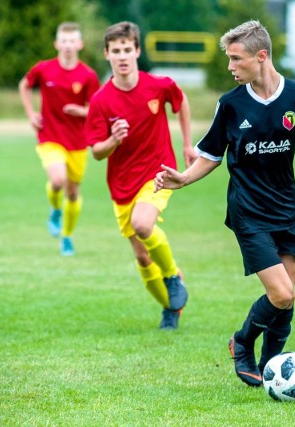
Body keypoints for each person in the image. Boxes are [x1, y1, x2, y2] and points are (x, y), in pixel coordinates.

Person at [154, 20, 295, 386]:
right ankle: (242, 343)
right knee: (282, 292)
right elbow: (210, 154)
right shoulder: (230, 104)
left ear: (261, 57)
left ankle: (271, 365)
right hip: (249, 213)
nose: (230, 66)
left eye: (235, 58)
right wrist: (183, 178)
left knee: (285, 301)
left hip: (287, 210)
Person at [85, 21, 196, 330]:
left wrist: (187, 143)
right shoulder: (101, 101)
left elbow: (181, 101)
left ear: (137, 51)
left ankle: (173, 275)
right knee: (143, 257)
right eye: (116, 51)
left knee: (143, 223)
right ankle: (170, 308)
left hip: (158, 171)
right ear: (107, 54)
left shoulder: (158, 86)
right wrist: (113, 140)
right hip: (121, 185)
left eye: (127, 50)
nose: (122, 56)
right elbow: (96, 152)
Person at [19, 22, 101, 256]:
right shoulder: (44, 69)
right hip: (49, 136)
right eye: (63, 41)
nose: (68, 45)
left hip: (77, 141)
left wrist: (80, 111)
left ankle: (67, 236)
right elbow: (24, 85)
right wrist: (30, 113)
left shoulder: (87, 75)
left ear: (80, 44)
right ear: (56, 44)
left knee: (73, 193)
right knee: (58, 180)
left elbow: (96, 109)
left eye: (72, 40)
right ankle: (55, 210)